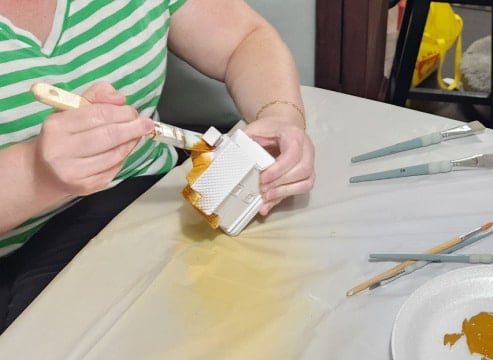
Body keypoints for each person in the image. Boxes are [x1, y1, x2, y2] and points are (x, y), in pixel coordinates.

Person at [0, 0, 316, 333]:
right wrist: (33, 174)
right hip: (27, 263)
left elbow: (245, 39)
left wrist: (280, 116)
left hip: (154, 204)